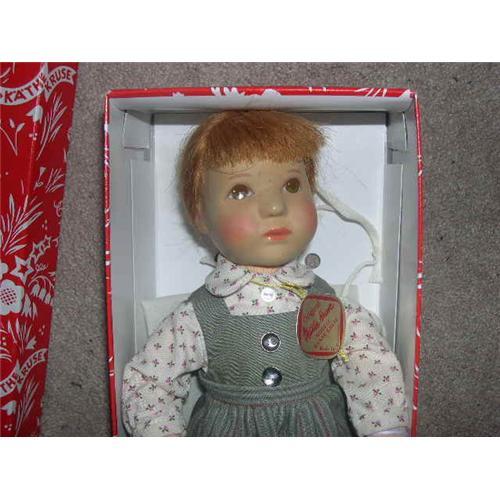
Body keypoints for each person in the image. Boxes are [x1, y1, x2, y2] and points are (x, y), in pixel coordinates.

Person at [122, 110, 409, 437]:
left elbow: (369, 363)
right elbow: (149, 381)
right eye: (240, 191)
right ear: (200, 214)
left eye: (291, 185)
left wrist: (385, 430)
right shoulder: (196, 318)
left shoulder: (329, 306)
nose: (275, 206)